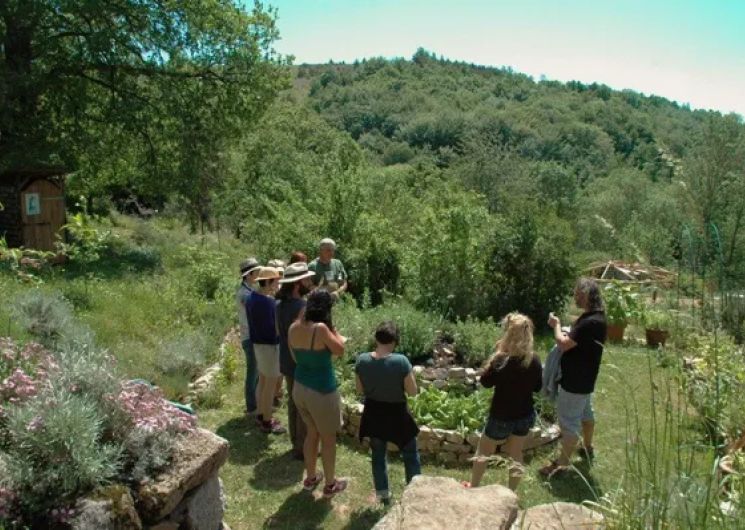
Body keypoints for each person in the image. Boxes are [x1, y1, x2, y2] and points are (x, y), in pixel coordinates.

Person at [464, 313, 542, 491]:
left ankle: (474, 486)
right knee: (516, 453)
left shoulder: (502, 360)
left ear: (508, 334)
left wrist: (496, 356)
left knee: (483, 451)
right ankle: (511, 492)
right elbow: (538, 387)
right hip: (524, 415)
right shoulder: (534, 359)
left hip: (501, 416)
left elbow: (485, 382)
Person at [539, 278, 607, 477]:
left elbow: (563, 343)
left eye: (578, 293)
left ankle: (561, 466)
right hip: (586, 378)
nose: (575, 297)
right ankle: (587, 446)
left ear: (587, 295)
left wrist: (556, 325)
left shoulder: (590, 322)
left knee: (569, 423)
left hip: (575, 381)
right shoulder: (597, 317)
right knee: (586, 413)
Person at [288, 289, 348, 497]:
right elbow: (340, 350)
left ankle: (311, 477)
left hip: (300, 388)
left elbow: (296, 359)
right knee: (328, 439)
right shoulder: (322, 329)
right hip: (321, 391)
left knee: (311, 433)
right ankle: (331, 484)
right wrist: (335, 330)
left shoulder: (293, 328)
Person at [355, 321, 420, 504]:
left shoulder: (362, 360)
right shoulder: (401, 362)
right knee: (410, 454)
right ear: (395, 341)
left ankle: (383, 493)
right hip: (397, 413)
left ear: (376, 339)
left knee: (377, 455)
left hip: (374, 413)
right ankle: (414, 494)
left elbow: (359, 390)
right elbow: (412, 391)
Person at [276, 262, 316, 459]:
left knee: (293, 403)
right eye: (307, 279)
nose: (310, 282)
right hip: (299, 361)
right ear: (298, 283)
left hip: (285, 358)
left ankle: (296, 445)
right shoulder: (302, 307)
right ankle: (303, 448)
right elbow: (306, 337)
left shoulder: (280, 305)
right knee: (303, 406)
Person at [247, 266, 286, 434]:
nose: (278, 284)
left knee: (262, 381)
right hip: (270, 346)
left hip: (257, 344)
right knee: (270, 386)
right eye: (276, 281)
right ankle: (267, 421)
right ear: (269, 282)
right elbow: (276, 328)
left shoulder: (251, 298)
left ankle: (261, 414)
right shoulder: (269, 302)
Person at [236, 258, 261, 417]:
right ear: (249, 274)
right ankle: (251, 407)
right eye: (256, 272)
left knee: (257, 372)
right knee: (252, 372)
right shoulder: (245, 294)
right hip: (250, 337)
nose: (258, 275)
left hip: (253, 336)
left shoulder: (250, 290)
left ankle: (257, 403)